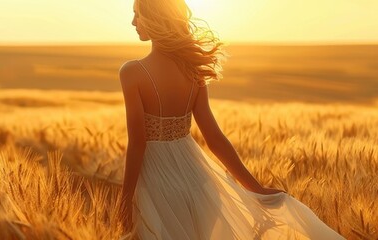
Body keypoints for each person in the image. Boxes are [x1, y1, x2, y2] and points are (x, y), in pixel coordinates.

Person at [116, 0, 345, 239]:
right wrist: (254, 187)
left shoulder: (132, 73)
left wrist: (125, 200)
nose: (133, 22)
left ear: (155, 18)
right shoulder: (192, 70)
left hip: (157, 184)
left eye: (137, 15)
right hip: (199, 182)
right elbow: (214, 138)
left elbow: (138, 143)